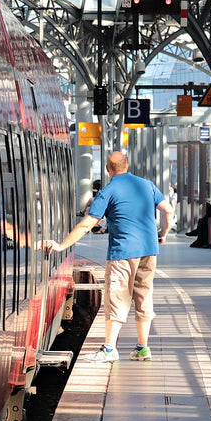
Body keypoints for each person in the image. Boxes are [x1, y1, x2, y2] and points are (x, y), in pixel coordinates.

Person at [44, 151, 174, 363]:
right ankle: (142, 348)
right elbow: (168, 211)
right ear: (127, 165)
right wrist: (163, 234)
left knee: (117, 298)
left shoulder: (109, 190)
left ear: (107, 169)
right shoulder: (147, 185)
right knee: (143, 297)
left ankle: (109, 349)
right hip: (149, 251)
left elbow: (87, 224)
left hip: (122, 253)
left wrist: (61, 246)